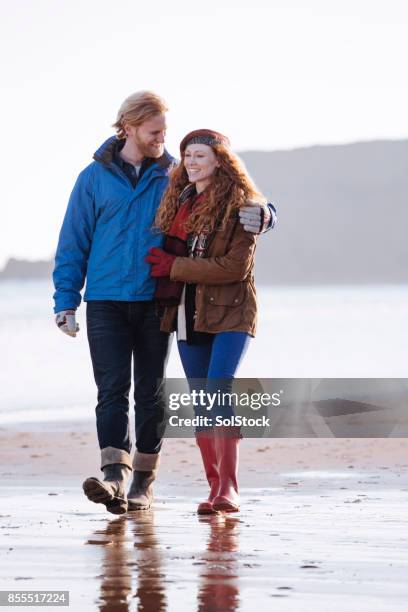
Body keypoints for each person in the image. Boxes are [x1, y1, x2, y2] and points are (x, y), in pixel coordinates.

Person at [53, 92, 276, 516]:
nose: (162, 139)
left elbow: (233, 192)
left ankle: (144, 483)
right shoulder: (93, 179)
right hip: (104, 300)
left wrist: (268, 213)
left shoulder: (173, 175)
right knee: (111, 391)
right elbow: (73, 241)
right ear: (129, 127)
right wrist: (66, 300)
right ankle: (114, 476)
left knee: (152, 395)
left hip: (158, 302)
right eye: (155, 132)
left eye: (164, 132)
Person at [146, 129, 268, 514]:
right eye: (188, 156)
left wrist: (176, 267)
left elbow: (235, 267)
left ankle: (229, 488)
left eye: (200, 155)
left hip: (232, 311)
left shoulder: (243, 207)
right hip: (186, 314)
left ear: (220, 160)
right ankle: (213, 487)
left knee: (218, 388)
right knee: (202, 401)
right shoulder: (177, 202)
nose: (193, 162)